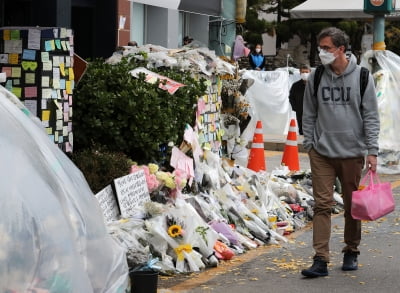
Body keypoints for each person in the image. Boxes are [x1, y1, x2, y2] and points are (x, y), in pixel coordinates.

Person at [301, 27, 380, 277]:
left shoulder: (362, 77)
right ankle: (320, 259)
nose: (321, 53)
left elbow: (370, 116)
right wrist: (309, 144)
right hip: (322, 152)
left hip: (352, 152)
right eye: (320, 48)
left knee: (352, 206)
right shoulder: (316, 77)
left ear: (341, 49)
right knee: (322, 205)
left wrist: (372, 151)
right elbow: (309, 113)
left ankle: (351, 250)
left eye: (326, 48)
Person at [288, 64, 311, 134]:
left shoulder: (314, 85)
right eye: (303, 72)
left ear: (310, 72)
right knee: (302, 130)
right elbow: (291, 97)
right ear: (300, 73)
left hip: (312, 112)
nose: (305, 74)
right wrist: (296, 108)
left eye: (306, 72)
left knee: (312, 130)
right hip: (300, 112)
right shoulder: (296, 85)